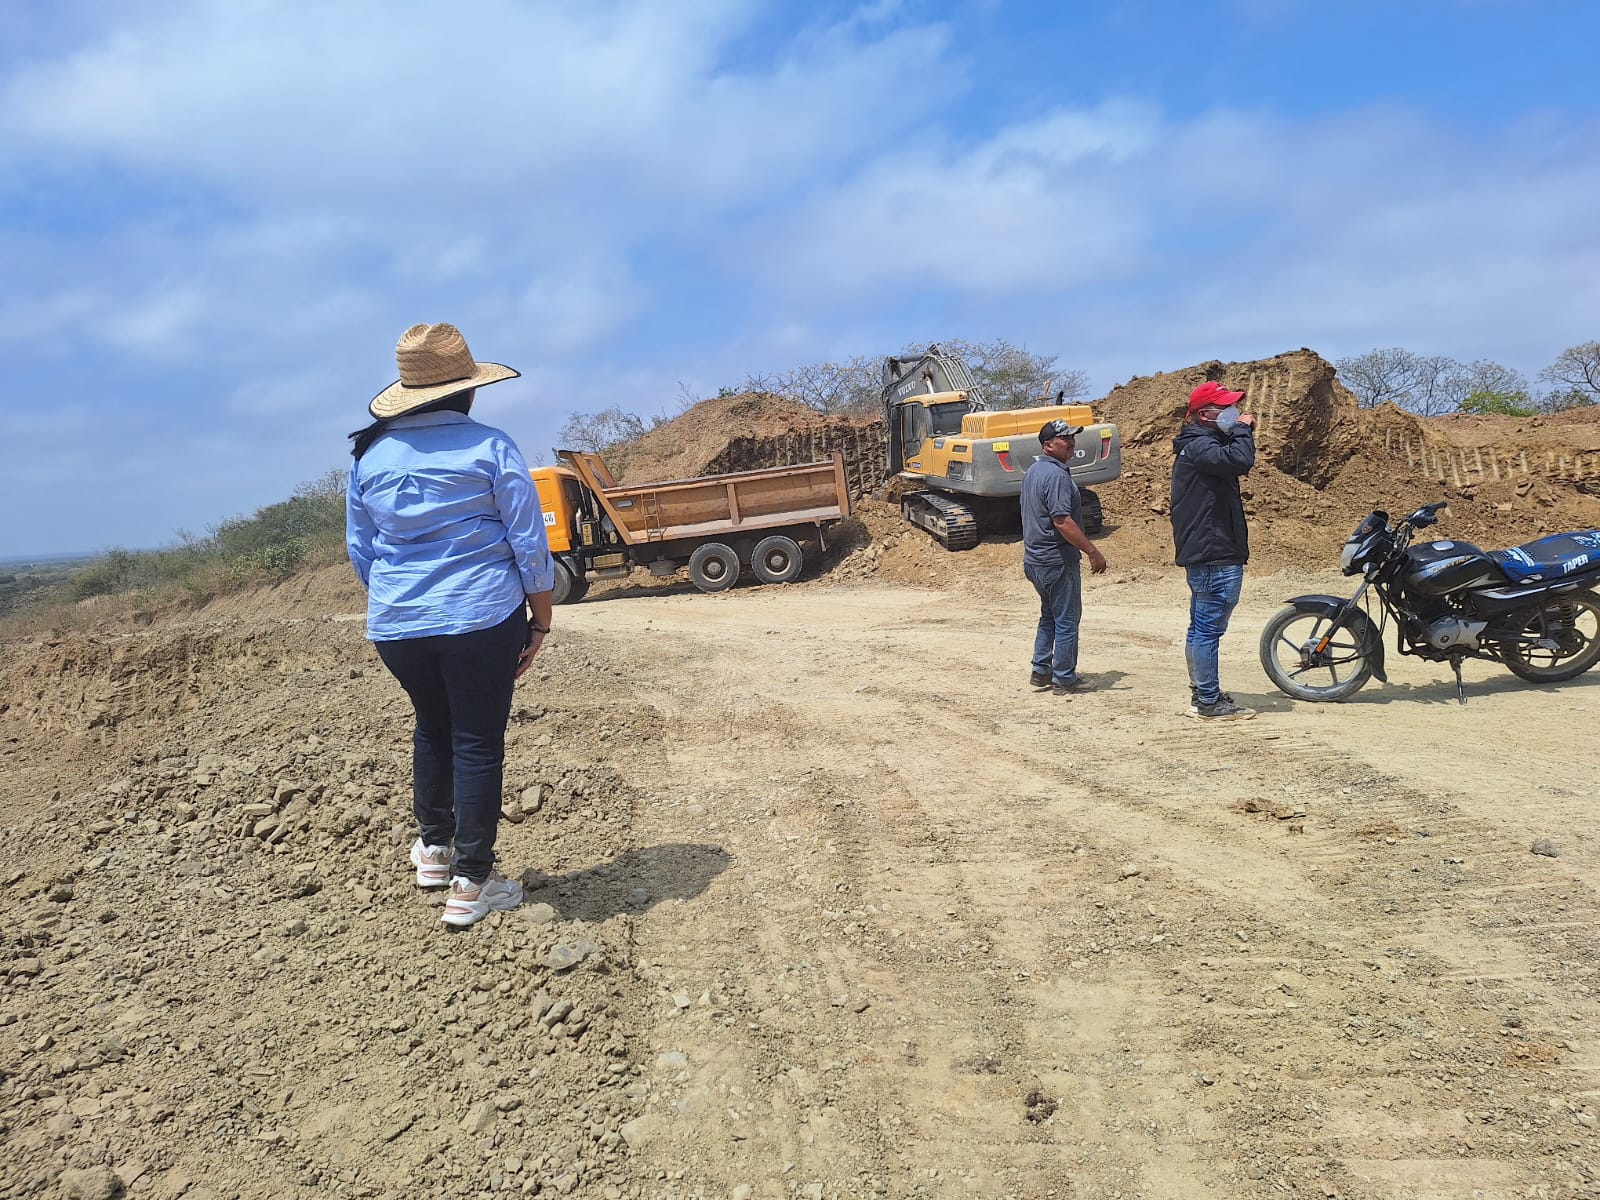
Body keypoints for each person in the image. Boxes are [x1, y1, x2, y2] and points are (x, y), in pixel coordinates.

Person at [346, 322, 555, 927]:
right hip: (480, 615)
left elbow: (361, 548)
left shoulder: (369, 455)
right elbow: (528, 541)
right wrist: (540, 621)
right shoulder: (491, 446)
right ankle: (473, 882)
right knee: (477, 741)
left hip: (397, 625)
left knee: (433, 726)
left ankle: (435, 852)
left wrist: (402, 600)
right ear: (466, 388)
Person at [1170, 380, 1257, 721]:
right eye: (1226, 409)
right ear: (1204, 414)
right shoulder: (1201, 446)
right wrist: (1241, 430)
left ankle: (1203, 692)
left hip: (1209, 550)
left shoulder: (1200, 444)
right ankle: (1208, 702)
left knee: (1200, 627)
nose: (1234, 412)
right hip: (1213, 552)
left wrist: (1236, 431)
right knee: (1207, 629)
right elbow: (1240, 460)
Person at [1021, 418, 1108, 696]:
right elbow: (1062, 521)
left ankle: (1041, 670)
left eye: (1072, 437)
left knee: (1049, 615)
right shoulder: (1057, 476)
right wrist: (1092, 551)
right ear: (1048, 445)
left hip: (1035, 560)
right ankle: (1064, 678)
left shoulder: (1034, 471)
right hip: (1056, 560)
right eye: (1064, 438)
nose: (1071, 442)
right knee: (1067, 619)